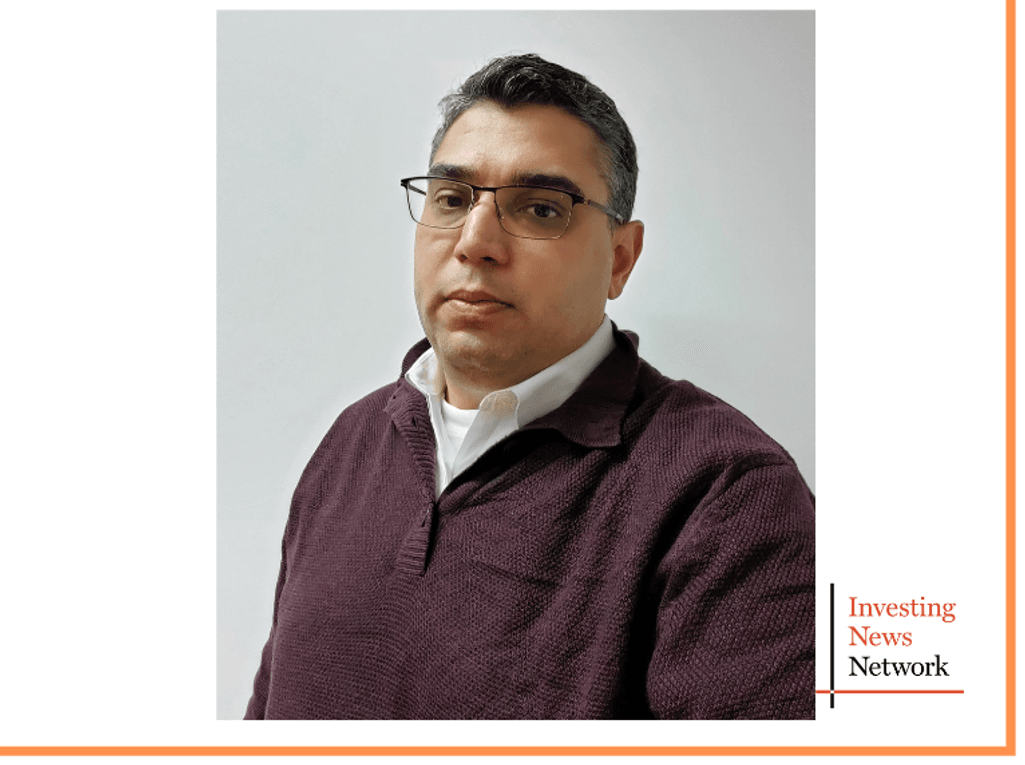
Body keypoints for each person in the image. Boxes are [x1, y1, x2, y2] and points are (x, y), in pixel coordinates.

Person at [243, 53, 814, 720]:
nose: (476, 242)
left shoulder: (728, 493)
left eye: (541, 209)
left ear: (620, 259)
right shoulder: (350, 443)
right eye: (451, 199)